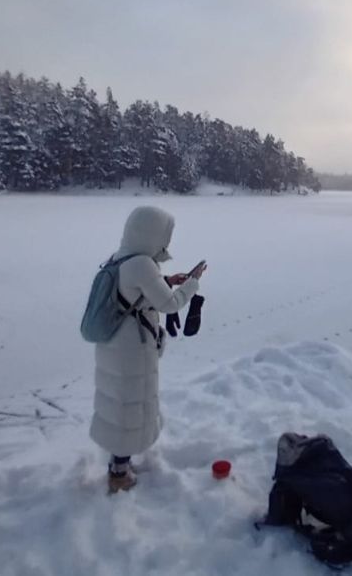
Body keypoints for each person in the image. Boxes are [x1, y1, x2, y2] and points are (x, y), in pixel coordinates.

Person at [89, 205, 206, 493]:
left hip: (114, 343)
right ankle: (119, 473)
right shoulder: (142, 264)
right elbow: (169, 304)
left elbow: (137, 291)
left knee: (119, 403)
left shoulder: (121, 258)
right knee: (129, 406)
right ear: (152, 233)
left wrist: (167, 281)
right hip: (131, 350)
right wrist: (191, 285)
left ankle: (120, 463)